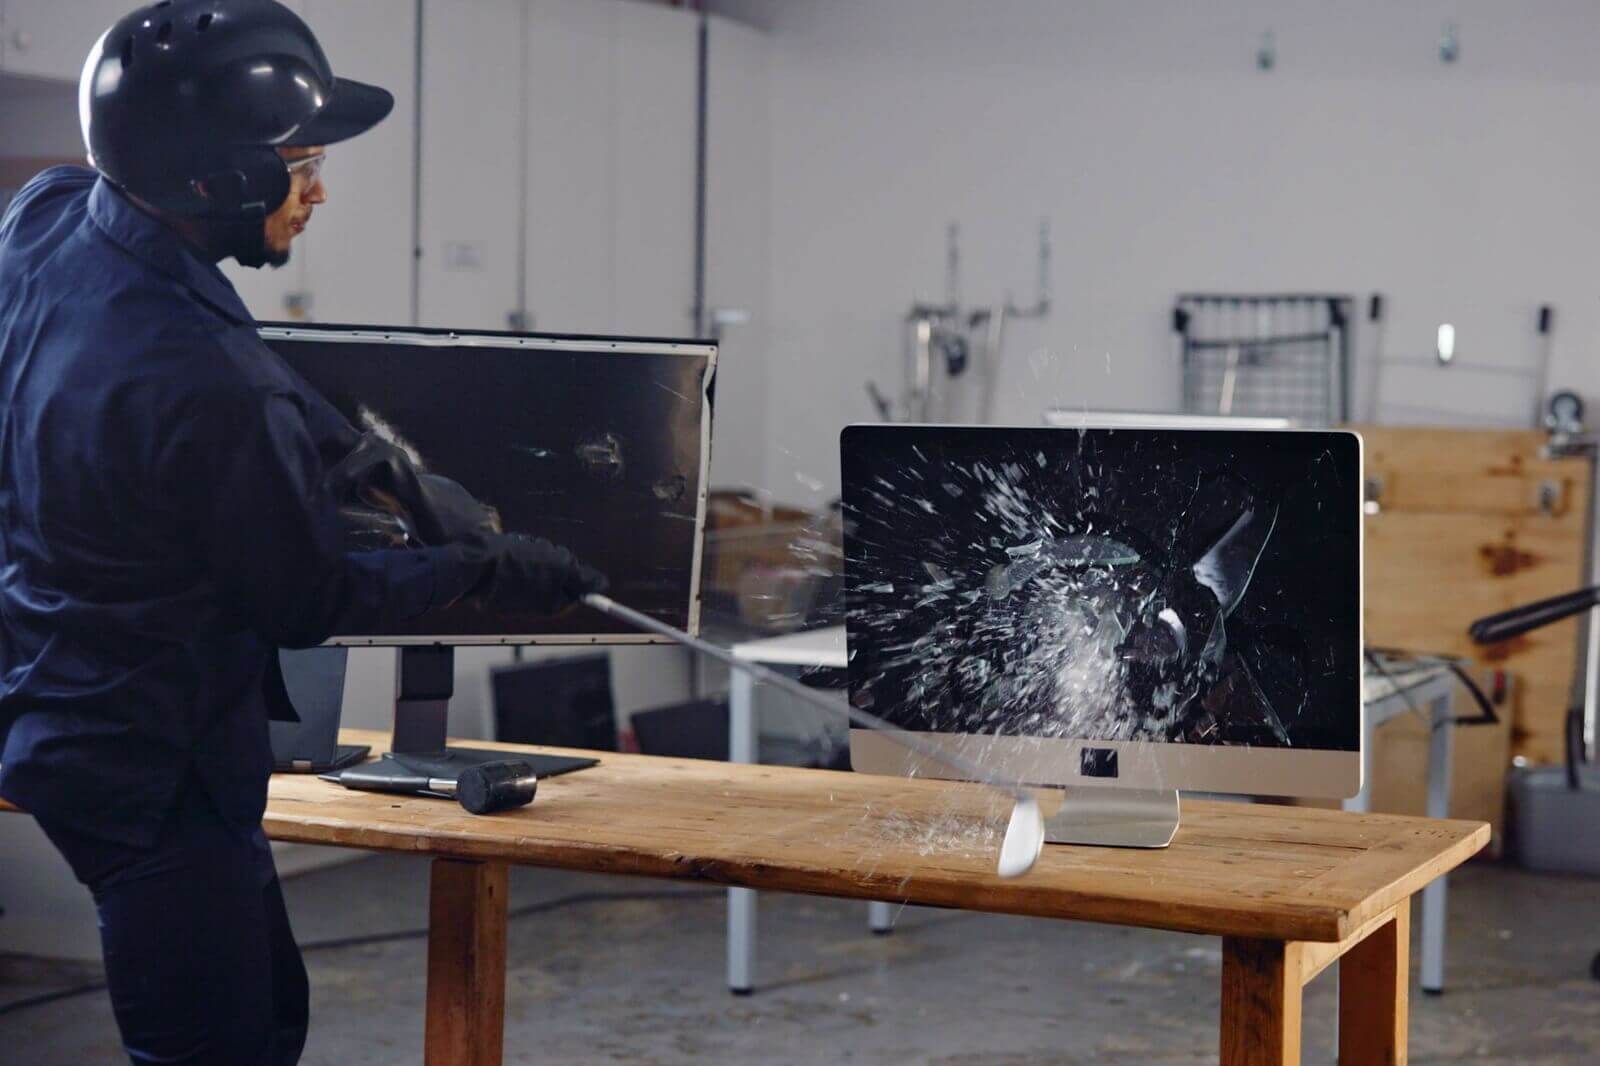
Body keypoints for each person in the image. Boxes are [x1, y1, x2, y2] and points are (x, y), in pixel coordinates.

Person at [0, 2, 603, 1062]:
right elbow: (308, 596)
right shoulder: (209, 387)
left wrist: (377, 464)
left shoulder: (51, 213)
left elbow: (221, 355)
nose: (318, 188)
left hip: (58, 691)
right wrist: (480, 567)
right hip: (148, 763)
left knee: (269, 1010)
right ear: (221, 180)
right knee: (215, 1046)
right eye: (302, 162)